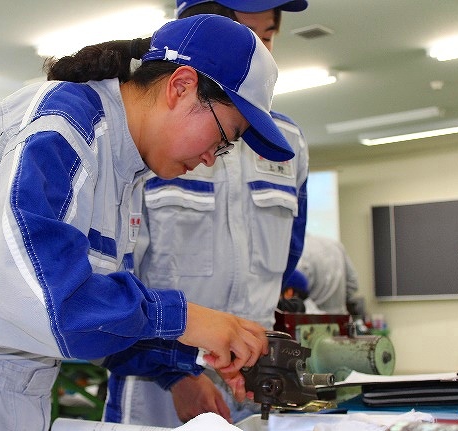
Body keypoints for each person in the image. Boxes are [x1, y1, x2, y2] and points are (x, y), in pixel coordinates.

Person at [0, 15, 293, 431]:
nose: (211, 159)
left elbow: (94, 321)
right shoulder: (65, 124)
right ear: (180, 86)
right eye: (222, 138)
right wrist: (185, 318)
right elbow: (38, 299)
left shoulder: (122, 168)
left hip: (14, 390)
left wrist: (191, 359)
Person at [104, 0, 310, 426]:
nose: (260, 56)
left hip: (251, 382)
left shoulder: (287, 145)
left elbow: (284, 266)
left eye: (267, 38)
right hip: (155, 389)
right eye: (245, 38)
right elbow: (108, 285)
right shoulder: (147, 137)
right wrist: (176, 374)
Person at [296, 233, 365, 316]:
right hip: (340, 320)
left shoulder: (299, 248)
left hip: (310, 321)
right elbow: (352, 283)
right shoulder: (335, 245)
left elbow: (298, 290)